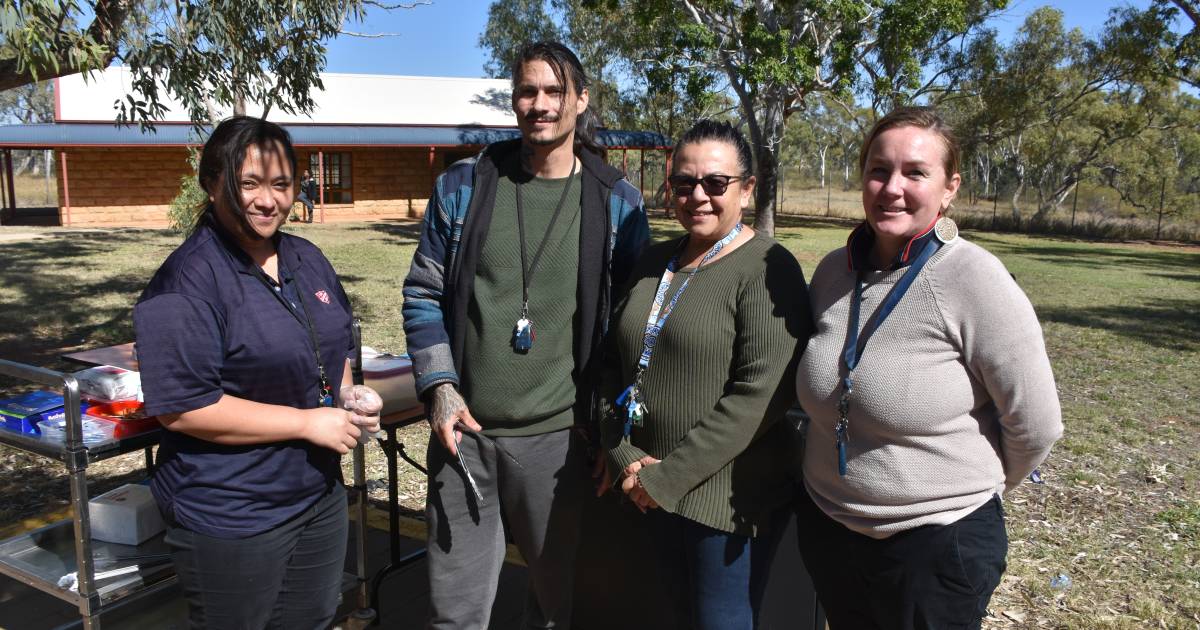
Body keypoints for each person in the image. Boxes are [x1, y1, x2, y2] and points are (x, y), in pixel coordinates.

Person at [400, 41, 649, 629]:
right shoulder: (465, 186)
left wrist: (612, 432)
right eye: (527, 91)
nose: (540, 104)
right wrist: (439, 386)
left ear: (581, 100)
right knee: (454, 613)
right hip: (465, 437)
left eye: (555, 91)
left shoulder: (617, 203)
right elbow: (422, 292)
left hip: (561, 446)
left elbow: (630, 328)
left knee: (560, 608)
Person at [794, 106, 1063, 629]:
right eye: (879, 170)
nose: (892, 187)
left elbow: (1036, 424)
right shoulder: (833, 272)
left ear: (949, 188)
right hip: (830, 528)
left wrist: (961, 495)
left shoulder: (973, 278)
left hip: (935, 546)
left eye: (915, 173)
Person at [133, 116, 381, 629]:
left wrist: (350, 398)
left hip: (316, 496)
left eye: (281, 185)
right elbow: (183, 407)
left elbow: (335, 348)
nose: (267, 200)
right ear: (212, 182)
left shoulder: (305, 257)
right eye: (249, 184)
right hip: (234, 513)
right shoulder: (187, 282)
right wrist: (307, 423)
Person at [598, 119, 812, 630]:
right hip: (643, 488)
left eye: (716, 183)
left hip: (723, 506)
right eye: (683, 183)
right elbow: (613, 366)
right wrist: (621, 451)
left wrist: (667, 478)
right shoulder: (654, 261)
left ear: (747, 190)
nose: (698, 195)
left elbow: (759, 397)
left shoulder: (767, 268)